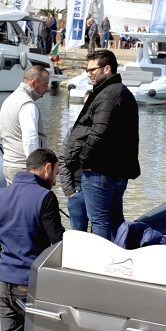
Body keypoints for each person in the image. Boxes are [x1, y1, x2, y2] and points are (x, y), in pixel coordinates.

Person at [0, 147, 64, 331]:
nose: (55, 182)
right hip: (31, 286)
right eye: (56, 174)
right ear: (47, 168)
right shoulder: (45, 198)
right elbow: (58, 244)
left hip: (4, 282)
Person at [65, 48, 140, 242]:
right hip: (114, 170)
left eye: (92, 70)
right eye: (87, 70)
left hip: (100, 171)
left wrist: (84, 160)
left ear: (107, 69)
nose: (88, 74)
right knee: (114, 220)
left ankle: (103, 259)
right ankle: (117, 253)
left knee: (100, 221)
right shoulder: (119, 92)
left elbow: (99, 132)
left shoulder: (108, 94)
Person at [0, 65, 51, 184]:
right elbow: (30, 139)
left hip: (9, 164)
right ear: (34, 83)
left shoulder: (10, 99)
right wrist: (37, 168)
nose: (47, 89)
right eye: (45, 84)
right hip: (24, 167)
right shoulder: (27, 105)